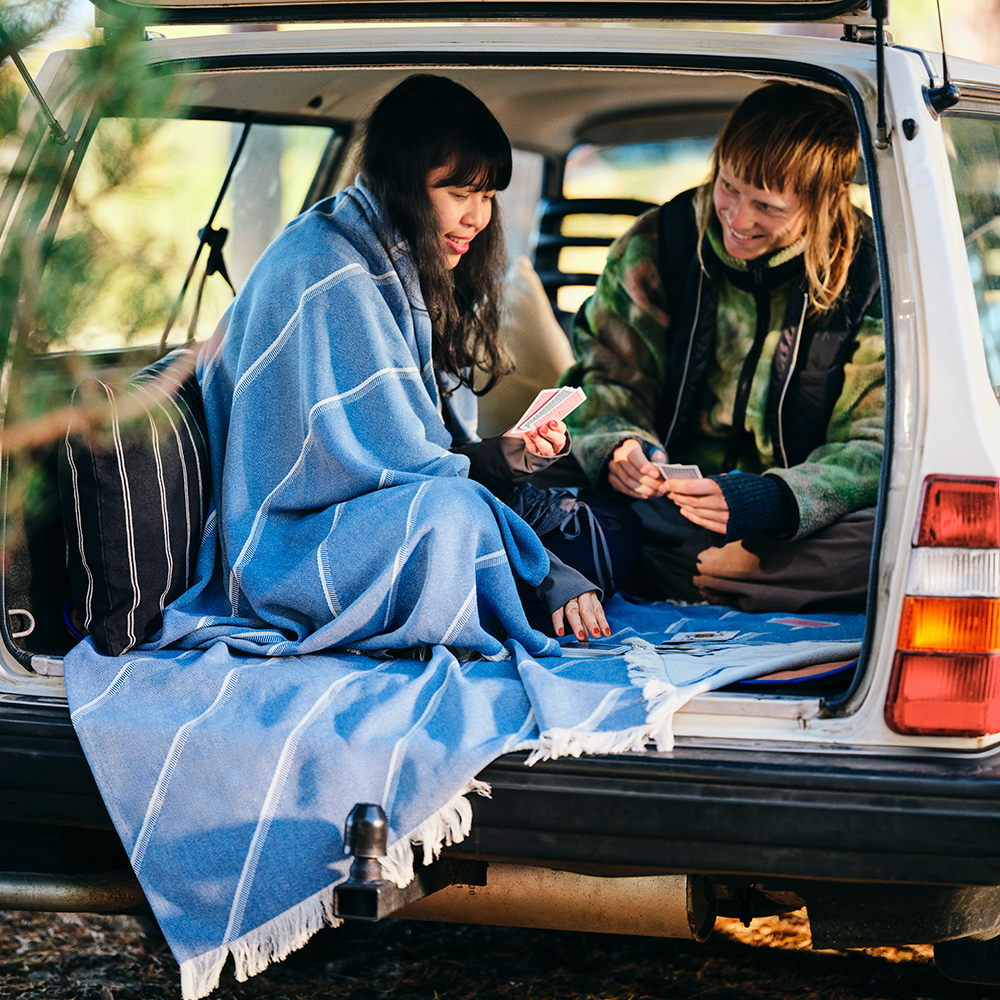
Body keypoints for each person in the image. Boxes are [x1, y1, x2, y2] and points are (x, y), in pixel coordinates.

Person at [192, 73, 609, 657]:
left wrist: (511, 453)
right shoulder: (329, 272)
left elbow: (409, 452)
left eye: (487, 198)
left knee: (598, 531)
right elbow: (375, 476)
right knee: (459, 517)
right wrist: (548, 571)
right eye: (459, 194)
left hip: (374, 513)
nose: (477, 219)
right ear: (406, 182)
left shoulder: (395, 261)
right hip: (290, 546)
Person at [561, 82, 884, 612]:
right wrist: (620, 446)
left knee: (893, 540)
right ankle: (671, 565)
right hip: (655, 508)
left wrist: (772, 500)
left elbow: (875, 445)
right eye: (728, 187)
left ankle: (643, 565)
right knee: (520, 473)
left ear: (825, 199)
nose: (737, 219)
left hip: (783, 534)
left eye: (766, 205)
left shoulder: (873, 275)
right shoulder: (656, 242)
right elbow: (605, 377)